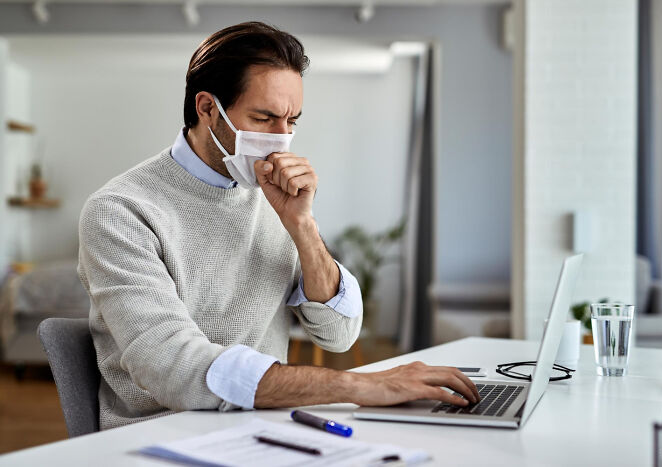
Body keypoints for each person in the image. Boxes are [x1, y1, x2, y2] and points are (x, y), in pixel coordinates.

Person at [78, 21, 479, 430]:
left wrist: (301, 225)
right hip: (160, 434)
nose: (281, 137)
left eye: (292, 121)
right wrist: (358, 386)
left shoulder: (272, 196)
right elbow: (172, 367)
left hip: (264, 426)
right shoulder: (120, 210)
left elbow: (338, 335)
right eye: (265, 117)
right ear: (207, 108)